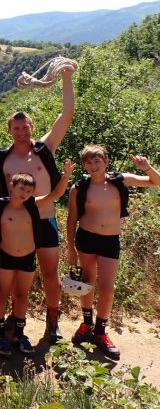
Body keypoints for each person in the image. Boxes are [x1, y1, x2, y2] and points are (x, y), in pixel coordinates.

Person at [0, 61, 76, 342]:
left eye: (24, 126)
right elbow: (0, 199)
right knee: (17, 280)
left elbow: (67, 114)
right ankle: (14, 327)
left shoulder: (45, 149)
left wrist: (65, 78)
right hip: (17, 226)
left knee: (51, 273)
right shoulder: (4, 160)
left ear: (31, 127)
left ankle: (53, 323)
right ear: (10, 130)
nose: (21, 132)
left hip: (45, 218)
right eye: (16, 128)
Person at [67, 147, 160, 359]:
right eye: (88, 162)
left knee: (108, 288)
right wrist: (70, 249)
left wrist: (147, 167)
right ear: (84, 166)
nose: (93, 165)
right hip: (86, 238)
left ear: (106, 160)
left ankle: (101, 331)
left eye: (97, 160)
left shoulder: (121, 180)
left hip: (110, 240)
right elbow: (71, 219)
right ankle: (87, 324)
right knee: (87, 284)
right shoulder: (79, 187)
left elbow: (156, 182)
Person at [0, 160, 73, 358]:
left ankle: (19, 334)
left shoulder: (33, 206)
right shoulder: (0, 206)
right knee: (3, 294)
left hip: (27, 258)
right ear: (12, 186)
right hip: (5, 257)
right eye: (21, 188)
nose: (24, 193)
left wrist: (65, 175)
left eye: (29, 191)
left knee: (22, 295)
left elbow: (55, 195)